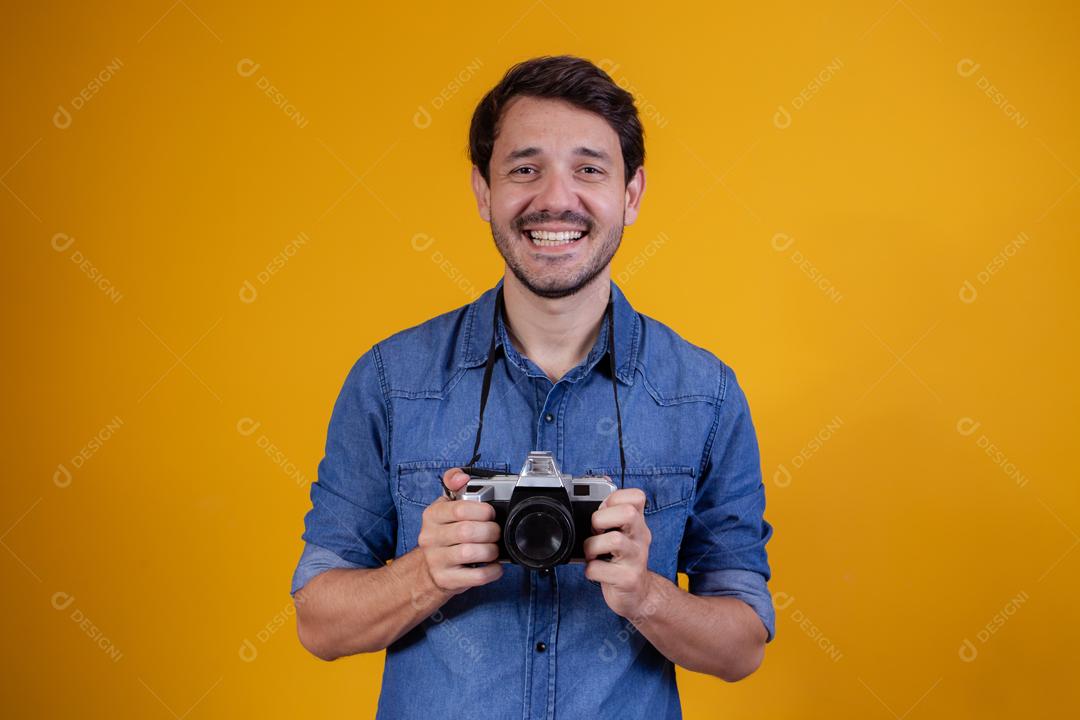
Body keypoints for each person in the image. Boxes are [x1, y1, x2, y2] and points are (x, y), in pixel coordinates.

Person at [291, 55, 775, 719]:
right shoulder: (389, 380)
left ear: (631, 195)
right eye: (524, 168)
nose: (555, 198)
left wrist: (647, 595)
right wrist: (424, 574)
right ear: (483, 191)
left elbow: (743, 645)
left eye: (588, 169)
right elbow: (318, 621)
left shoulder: (707, 394)